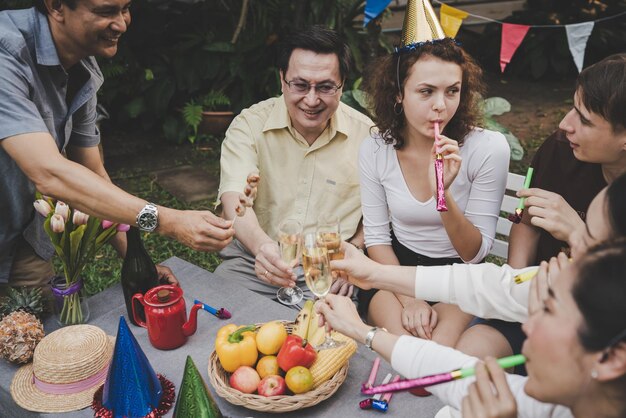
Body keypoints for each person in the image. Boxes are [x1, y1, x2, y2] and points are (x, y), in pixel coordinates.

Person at [0, 0, 234, 295]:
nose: (122, 23)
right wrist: (167, 221)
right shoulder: (5, 52)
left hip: (24, 239)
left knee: (34, 332)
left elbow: (93, 172)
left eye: (125, 8)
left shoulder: (83, 67)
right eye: (106, 11)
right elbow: (50, 173)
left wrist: (135, 257)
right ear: (56, 6)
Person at [318, 239, 626, 418]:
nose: (527, 324)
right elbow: (460, 374)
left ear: (612, 358)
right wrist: (364, 330)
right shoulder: (559, 401)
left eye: (548, 311)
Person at [455, 52, 626, 365]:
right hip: (532, 302)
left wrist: (579, 233)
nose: (564, 124)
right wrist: (516, 282)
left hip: (599, 328)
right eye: (572, 107)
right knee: (468, 353)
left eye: (584, 119)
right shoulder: (562, 149)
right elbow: (526, 218)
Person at [359, 6, 509, 345]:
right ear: (398, 93)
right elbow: (378, 240)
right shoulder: (375, 149)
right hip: (394, 271)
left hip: (458, 275)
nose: (441, 105)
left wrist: (442, 194)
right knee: (404, 355)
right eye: (426, 91)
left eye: (452, 91)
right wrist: (409, 298)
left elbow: (475, 254)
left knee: (432, 362)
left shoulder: (487, 149)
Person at [328, 171, 626, 327]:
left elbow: (475, 264)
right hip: (407, 278)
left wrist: (441, 196)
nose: (569, 244)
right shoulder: (549, 285)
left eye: (585, 234)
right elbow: (490, 285)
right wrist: (374, 277)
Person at [215, 25, 373, 307]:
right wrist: (263, 248)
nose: (311, 100)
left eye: (325, 87)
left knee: (328, 346)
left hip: (331, 274)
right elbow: (233, 200)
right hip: (253, 263)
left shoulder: (369, 139)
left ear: (343, 83)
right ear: (282, 79)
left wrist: (356, 250)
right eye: (300, 85)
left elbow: (379, 213)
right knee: (216, 328)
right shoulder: (249, 125)